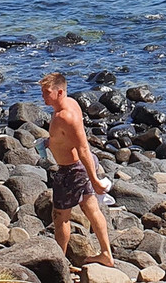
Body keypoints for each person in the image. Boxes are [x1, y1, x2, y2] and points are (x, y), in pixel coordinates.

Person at [40, 72, 114, 267]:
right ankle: (106, 253)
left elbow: (82, 149)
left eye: (47, 92)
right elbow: (68, 139)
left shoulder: (66, 116)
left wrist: (96, 180)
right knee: (91, 209)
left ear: (60, 92)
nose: (43, 96)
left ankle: (59, 263)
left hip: (71, 171)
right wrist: (52, 142)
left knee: (60, 217)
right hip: (78, 169)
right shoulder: (68, 104)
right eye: (42, 91)